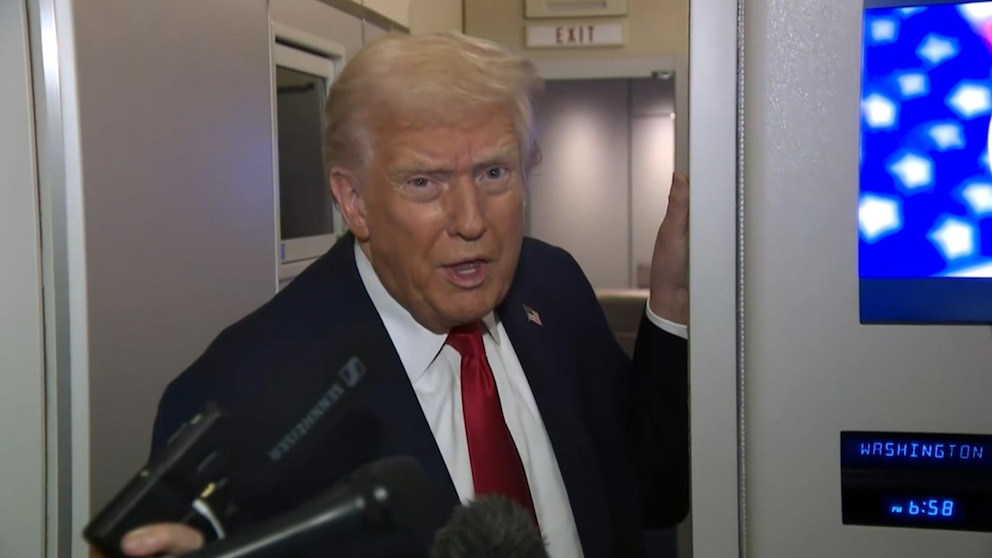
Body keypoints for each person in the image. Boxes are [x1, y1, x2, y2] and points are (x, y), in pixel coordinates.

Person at [103, 31, 690, 558]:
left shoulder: (553, 285)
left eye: (493, 172)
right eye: (424, 182)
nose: (470, 221)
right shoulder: (241, 392)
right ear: (354, 201)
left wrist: (671, 297)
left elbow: (651, 495)